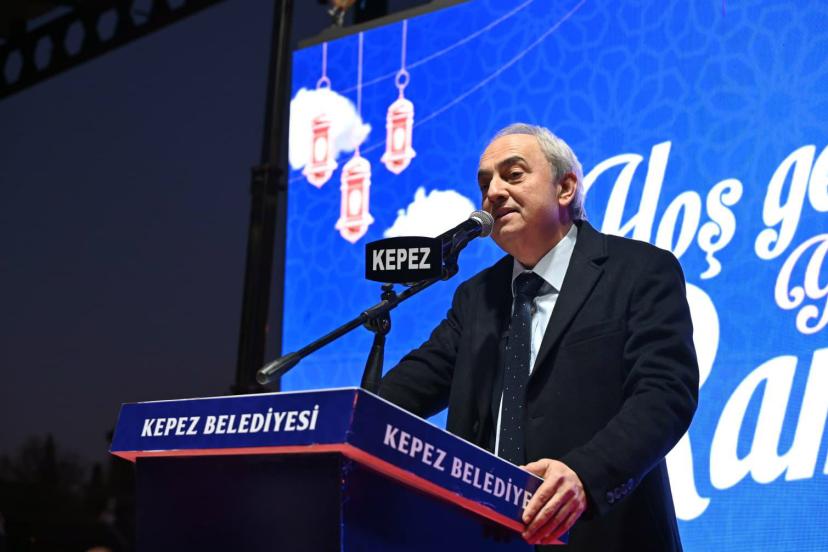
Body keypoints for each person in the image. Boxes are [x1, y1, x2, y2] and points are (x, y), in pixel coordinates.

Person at [378, 123, 698, 551]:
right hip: (487, 537)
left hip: (604, 534)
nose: (493, 193)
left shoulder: (638, 271)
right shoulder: (476, 298)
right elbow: (409, 388)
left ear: (565, 188)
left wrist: (585, 474)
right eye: (485, 183)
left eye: (513, 175)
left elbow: (665, 394)